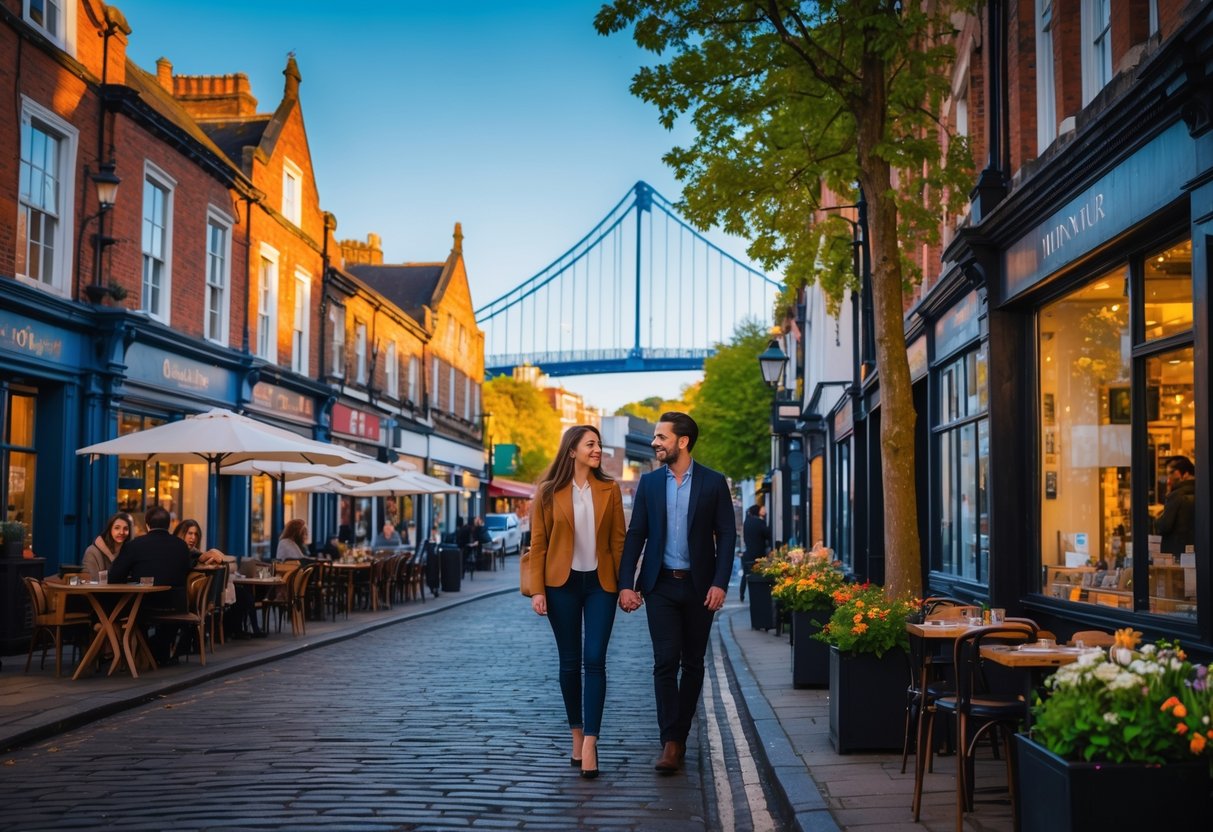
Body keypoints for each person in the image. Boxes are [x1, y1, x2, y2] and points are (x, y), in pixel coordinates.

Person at [617, 412, 736, 773]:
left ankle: (679, 734)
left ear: (682, 441)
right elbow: (636, 533)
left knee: (693, 664)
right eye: (654, 437)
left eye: (660, 437)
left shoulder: (714, 483)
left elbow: (727, 535)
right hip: (661, 586)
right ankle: (670, 741)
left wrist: (720, 582)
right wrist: (626, 583)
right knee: (665, 662)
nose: (655, 443)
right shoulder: (649, 484)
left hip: (701, 588)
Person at [525, 425, 626, 779]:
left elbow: (619, 543)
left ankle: (591, 743)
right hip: (560, 585)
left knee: (595, 659)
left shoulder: (610, 490)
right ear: (572, 451)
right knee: (570, 663)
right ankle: (576, 734)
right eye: (591, 444)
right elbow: (538, 545)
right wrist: (537, 590)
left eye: (598, 444)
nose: (598, 450)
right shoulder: (548, 492)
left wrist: (627, 585)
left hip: (601, 584)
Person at [107, 505, 192, 663]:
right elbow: (185, 571)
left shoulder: (134, 545)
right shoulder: (181, 546)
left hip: (144, 604)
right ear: (170, 525)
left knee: (129, 614)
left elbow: (114, 577)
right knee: (166, 622)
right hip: (177, 604)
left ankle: (143, 653)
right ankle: (154, 653)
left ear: (147, 525)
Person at [1155, 455, 1196, 556]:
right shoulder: (1202, 491)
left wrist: (1157, 518)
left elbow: (1164, 526)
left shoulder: (1177, 495)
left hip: (1176, 554)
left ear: (1185, 474)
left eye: (1171, 473)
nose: (1168, 478)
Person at [82, 512, 133, 581]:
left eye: (126, 529)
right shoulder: (92, 552)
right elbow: (93, 581)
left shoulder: (130, 551)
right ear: (109, 529)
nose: (121, 532)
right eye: (117, 528)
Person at [739, 503, 770, 602]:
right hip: (759, 554)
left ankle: (741, 594)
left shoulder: (746, 522)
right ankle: (760, 595)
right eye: (762, 509)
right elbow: (767, 534)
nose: (764, 511)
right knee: (761, 575)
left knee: (746, 575)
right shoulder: (759, 522)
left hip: (748, 553)